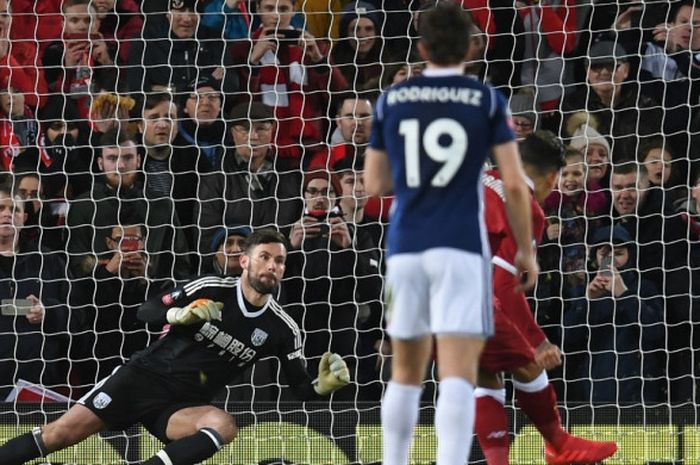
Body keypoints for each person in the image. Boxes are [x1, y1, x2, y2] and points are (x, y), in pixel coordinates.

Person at [0, 229, 351, 465]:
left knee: (224, 424)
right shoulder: (212, 287)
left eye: (280, 261)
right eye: (265, 257)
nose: (273, 266)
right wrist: (178, 314)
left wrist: (323, 386)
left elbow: (302, 389)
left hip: (182, 406)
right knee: (58, 435)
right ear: (244, 261)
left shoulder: (283, 329)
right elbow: (146, 311)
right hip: (141, 379)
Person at [364, 4, 538, 465]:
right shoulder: (485, 100)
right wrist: (525, 250)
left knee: (405, 372)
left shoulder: (393, 100)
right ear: (472, 47)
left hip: (407, 247)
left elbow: (376, 185)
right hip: (462, 248)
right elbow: (516, 185)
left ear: (421, 48)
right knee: (458, 374)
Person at [475, 132, 617, 465]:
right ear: (552, 177)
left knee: (484, 374)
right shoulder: (527, 208)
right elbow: (502, 285)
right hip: (465, 295)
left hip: (420, 290)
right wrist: (538, 341)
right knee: (529, 366)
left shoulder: (482, 179)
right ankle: (559, 444)